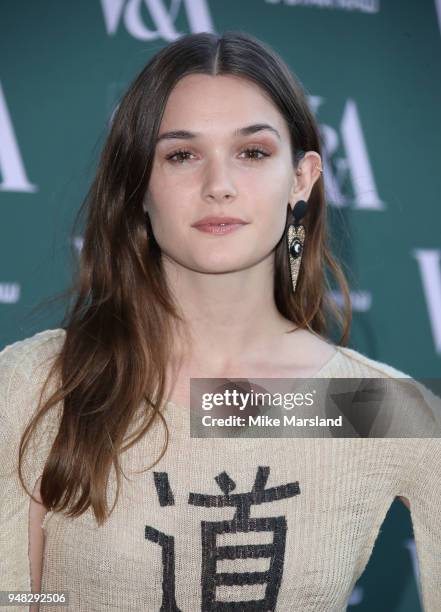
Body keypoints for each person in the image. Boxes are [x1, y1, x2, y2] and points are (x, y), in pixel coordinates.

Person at [0, 30, 440, 612]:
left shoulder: (373, 407)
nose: (219, 187)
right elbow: (19, 599)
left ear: (302, 180)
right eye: (181, 155)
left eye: (252, 152)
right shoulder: (38, 384)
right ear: (138, 185)